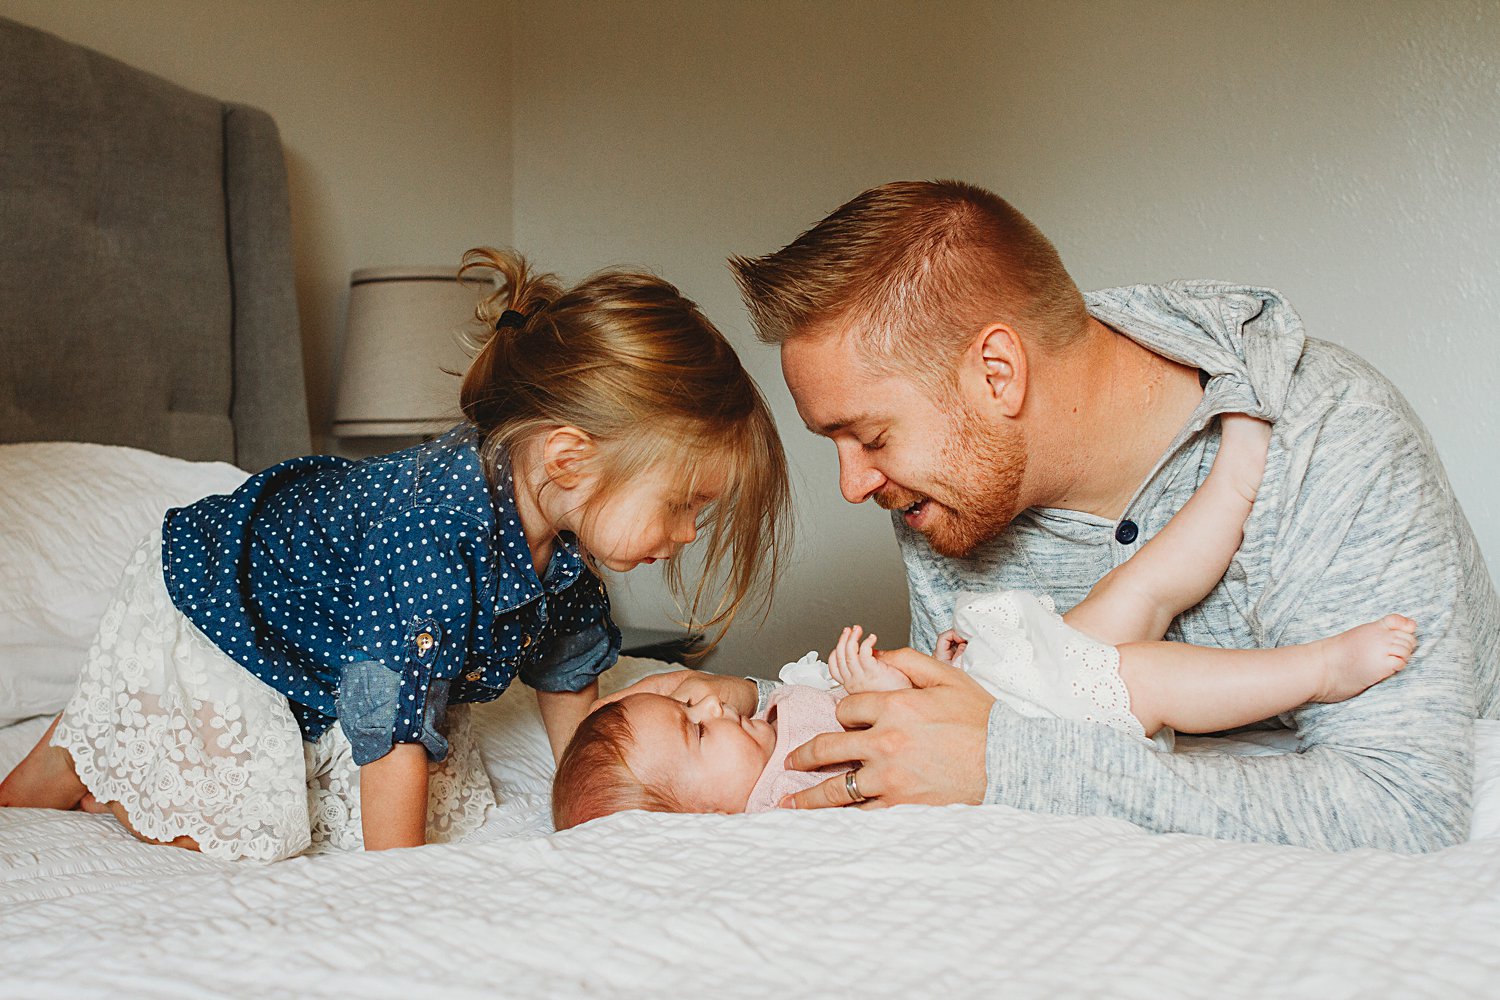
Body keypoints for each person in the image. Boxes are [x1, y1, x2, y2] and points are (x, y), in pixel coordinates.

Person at [612, 179, 1500, 853]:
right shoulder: (943, 495)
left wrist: (1011, 766)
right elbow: (947, 728)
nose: (852, 483)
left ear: (997, 374)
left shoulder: (1325, 437)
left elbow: (1405, 803)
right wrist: (747, 710)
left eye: (868, 435)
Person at [0, 248, 790, 861]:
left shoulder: (567, 540)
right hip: (232, 591)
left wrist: (583, 806)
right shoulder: (432, 536)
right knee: (250, 824)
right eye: (683, 505)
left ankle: (74, 762)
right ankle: (80, 773)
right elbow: (391, 726)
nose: (687, 533)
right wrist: (402, 888)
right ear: (569, 459)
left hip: (323, 636)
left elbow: (569, 681)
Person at [554, 413, 1415, 827]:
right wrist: (873, 689)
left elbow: (764, 693)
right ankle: (1316, 673)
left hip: (995, 680)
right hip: (1027, 723)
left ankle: (1228, 492)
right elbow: (895, 771)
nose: (707, 713)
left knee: (1132, 594)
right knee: (1144, 676)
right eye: (695, 735)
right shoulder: (785, 802)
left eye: (688, 706)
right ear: (697, 827)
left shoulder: (764, 733)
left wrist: (715, 690)